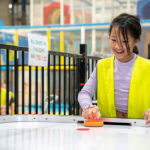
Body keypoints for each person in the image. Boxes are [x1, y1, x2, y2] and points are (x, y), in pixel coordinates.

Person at [78, 13, 150, 125]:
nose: (118, 46)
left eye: (125, 41)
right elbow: (84, 93)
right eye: (114, 40)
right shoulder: (102, 66)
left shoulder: (147, 67)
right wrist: (88, 107)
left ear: (136, 41)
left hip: (140, 127)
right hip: (108, 127)